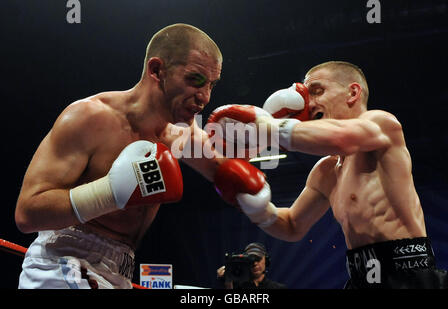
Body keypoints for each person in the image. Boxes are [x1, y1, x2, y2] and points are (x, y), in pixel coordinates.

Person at [14, 23, 266, 289]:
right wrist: (111, 191)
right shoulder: (90, 117)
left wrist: (272, 134)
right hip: (63, 261)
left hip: (120, 269)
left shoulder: (181, 132)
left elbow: (232, 178)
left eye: (212, 85)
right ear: (157, 70)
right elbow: (27, 214)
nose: (205, 97)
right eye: (195, 80)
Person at [209, 61, 448, 289]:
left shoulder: (381, 124)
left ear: (352, 93)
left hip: (409, 276)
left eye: (317, 91)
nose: (308, 104)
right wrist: (257, 209)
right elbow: (292, 225)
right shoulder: (326, 171)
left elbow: (342, 138)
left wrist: (270, 127)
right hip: (359, 279)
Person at [216, 242, 286, 289]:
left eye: (258, 259)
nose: (255, 263)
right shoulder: (233, 286)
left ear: (266, 260)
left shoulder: (278, 288)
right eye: (251, 260)